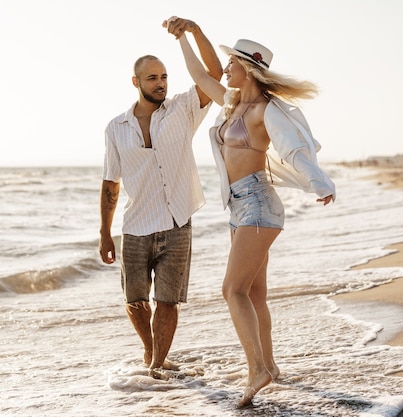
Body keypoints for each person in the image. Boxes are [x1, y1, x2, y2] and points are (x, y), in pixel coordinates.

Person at [164, 19, 336, 407]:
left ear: (249, 68)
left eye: (231, 64)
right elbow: (196, 72)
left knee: (232, 290)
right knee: (254, 293)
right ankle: (270, 366)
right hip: (238, 206)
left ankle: (256, 368)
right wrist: (187, 35)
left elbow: (294, 150)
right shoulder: (230, 102)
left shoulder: (265, 110)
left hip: (259, 203)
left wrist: (319, 183)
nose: (224, 69)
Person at [99, 18, 222, 378]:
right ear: (136, 82)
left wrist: (195, 32)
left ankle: (155, 368)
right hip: (135, 225)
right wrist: (105, 233)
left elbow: (213, 75)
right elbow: (110, 184)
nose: (161, 83)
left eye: (164, 76)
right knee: (135, 301)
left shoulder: (184, 109)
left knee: (168, 302)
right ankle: (152, 351)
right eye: (152, 78)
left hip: (177, 221)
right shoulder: (115, 128)